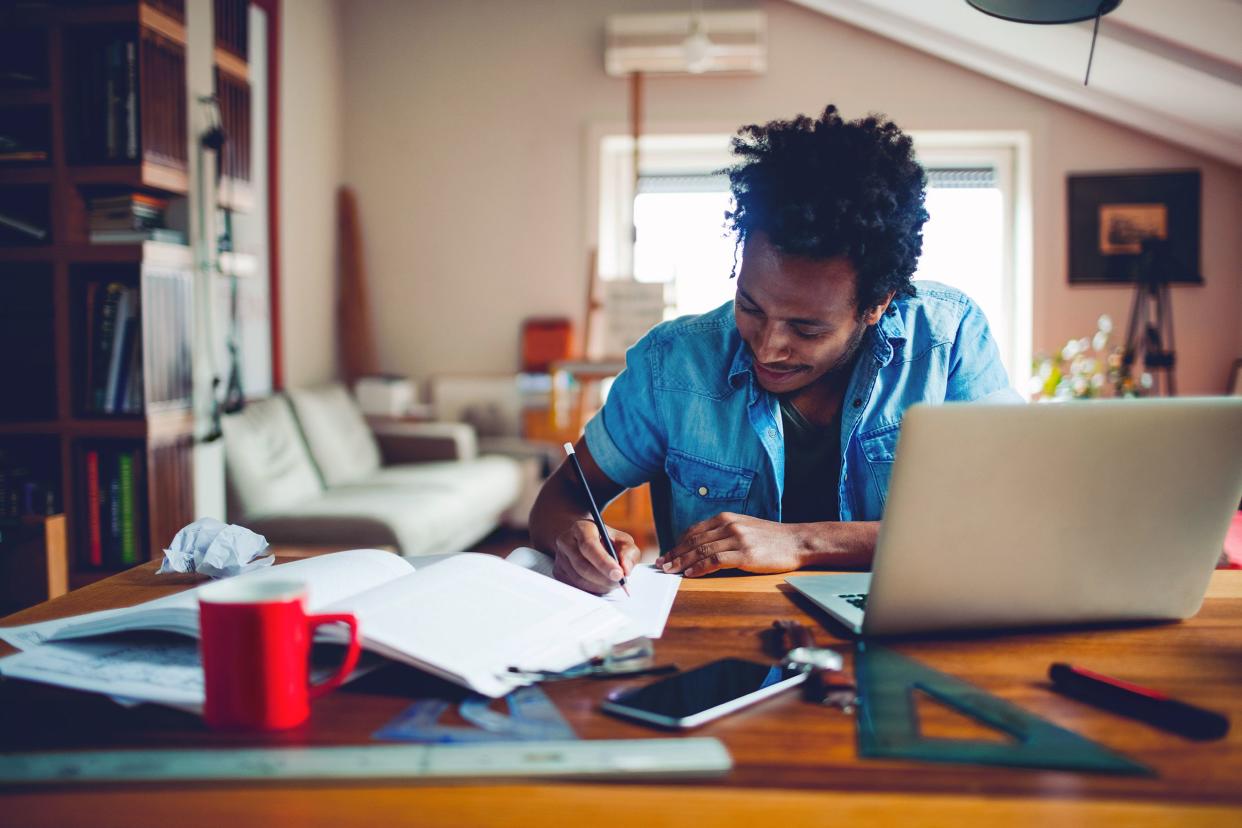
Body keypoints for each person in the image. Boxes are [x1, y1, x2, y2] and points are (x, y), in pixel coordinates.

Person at [529, 104, 1019, 595]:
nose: (768, 346)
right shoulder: (672, 365)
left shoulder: (947, 339)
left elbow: (1009, 523)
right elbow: (562, 496)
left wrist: (805, 542)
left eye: (806, 329)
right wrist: (576, 536)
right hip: (722, 654)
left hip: (904, 641)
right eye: (751, 306)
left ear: (876, 305)